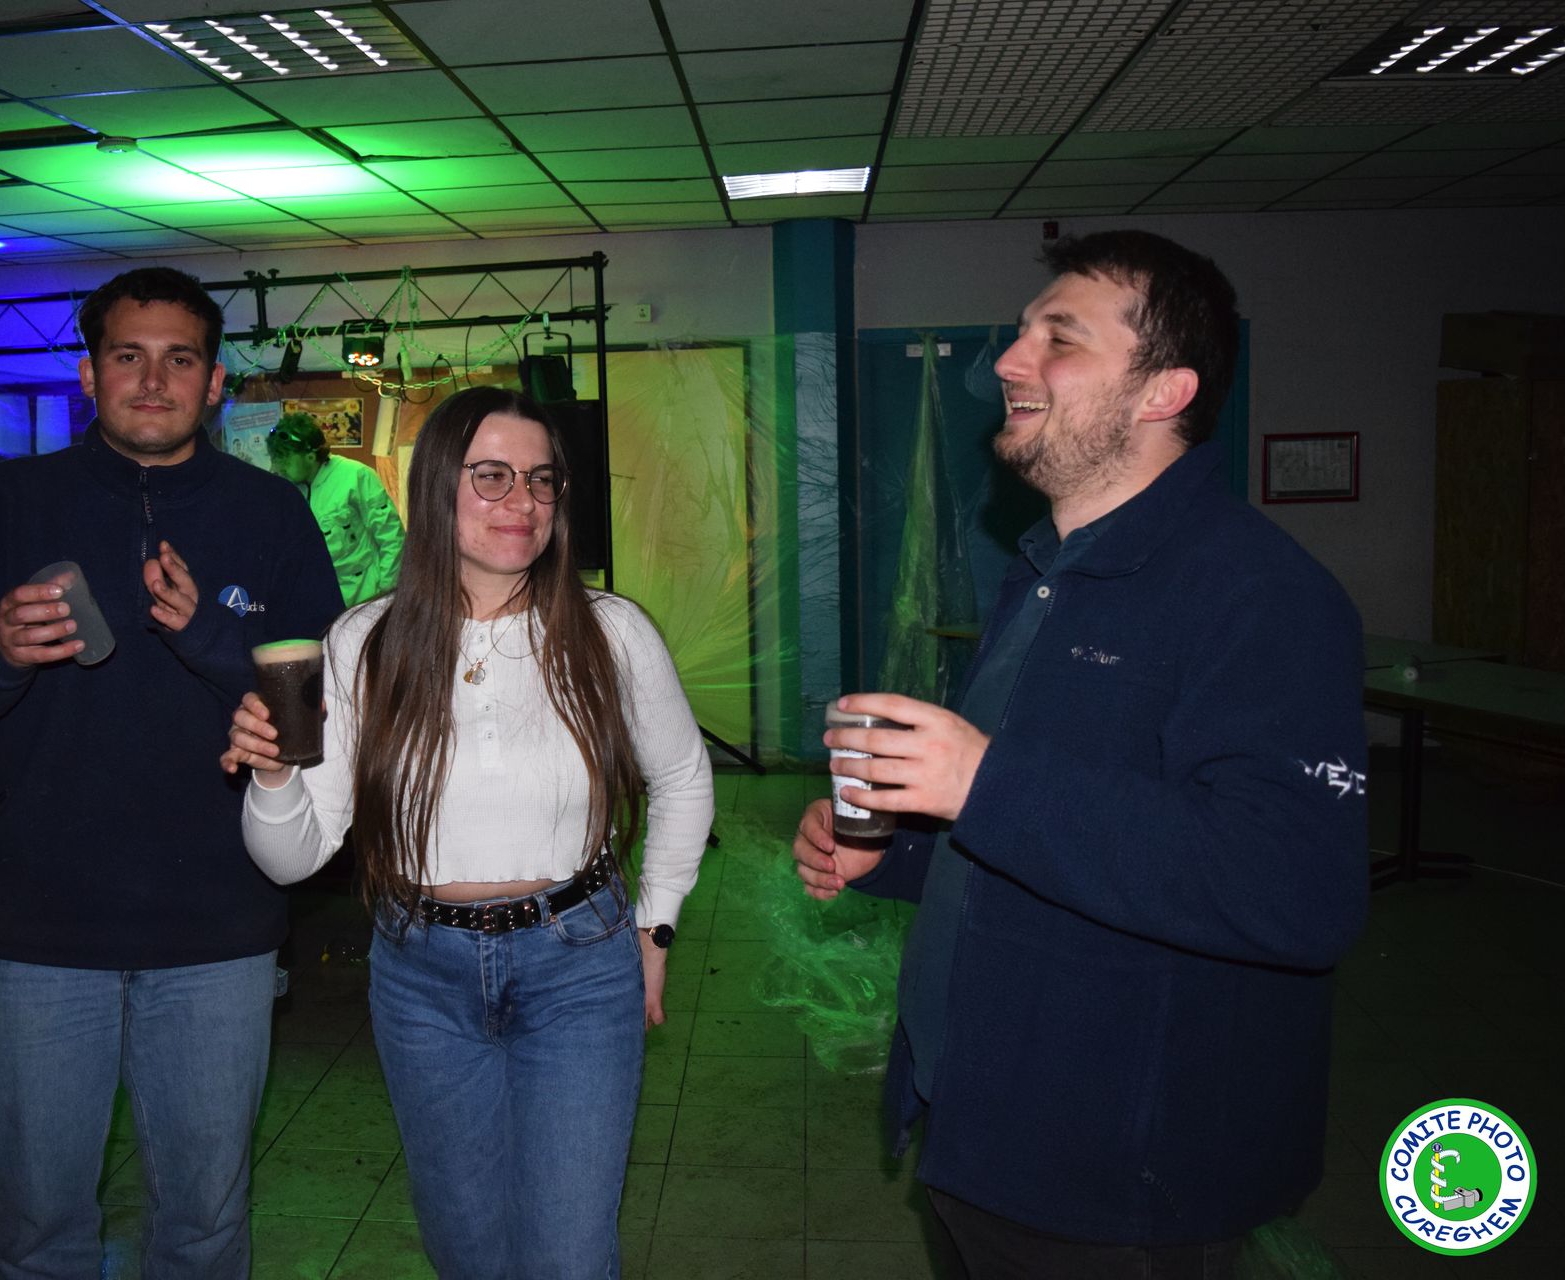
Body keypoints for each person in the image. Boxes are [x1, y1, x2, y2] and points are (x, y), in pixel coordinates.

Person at [792, 231, 1368, 1277]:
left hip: (1117, 1176)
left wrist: (980, 778)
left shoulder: (1260, 595)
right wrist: (898, 852)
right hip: (981, 1123)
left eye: (1059, 338)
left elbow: (1295, 892)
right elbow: (1054, 821)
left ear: (1164, 391)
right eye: (1022, 334)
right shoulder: (1046, 573)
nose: (1007, 362)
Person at [0, 266, 343, 1278]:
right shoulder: (1, 507)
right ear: (89, 374)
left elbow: (322, 713)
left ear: (214, 382)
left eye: (180, 358)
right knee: (38, 1233)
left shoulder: (271, 517)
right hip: (30, 935)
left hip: (215, 931)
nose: (153, 380)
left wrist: (211, 636)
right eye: (128, 355)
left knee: (205, 1229)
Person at [222, 386, 713, 1280]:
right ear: (438, 486)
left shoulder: (610, 631)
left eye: (541, 479)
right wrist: (273, 773)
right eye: (492, 476)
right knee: (468, 1249)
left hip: (577, 967)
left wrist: (658, 923)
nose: (522, 501)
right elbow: (293, 856)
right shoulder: (364, 642)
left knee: (568, 1257)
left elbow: (682, 776)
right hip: (422, 978)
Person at [267, 412, 404, 606]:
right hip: (319, 603)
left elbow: (392, 539)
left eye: (285, 461)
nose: (276, 468)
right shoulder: (287, 490)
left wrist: (385, 597)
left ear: (310, 456)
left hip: (365, 599)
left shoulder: (356, 477)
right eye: (274, 459)